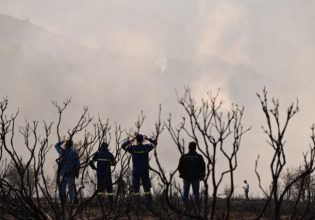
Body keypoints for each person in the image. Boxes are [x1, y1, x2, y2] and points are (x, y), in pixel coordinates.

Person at [121, 133, 157, 203]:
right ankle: (149, 204)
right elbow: (155, 143)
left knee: (135, 188)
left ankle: (136, 204)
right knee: (146, 188)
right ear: (142, 140)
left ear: (136, 140)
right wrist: (148, 139)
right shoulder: (146, 147)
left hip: (136, 170)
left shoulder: (133, 148)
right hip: (144, 170)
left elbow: (123, 146)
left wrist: (131, 140)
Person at [178, 141, 205, 212]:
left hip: (186, 177)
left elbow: (179, 167)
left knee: (185, 193)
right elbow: (203, 167)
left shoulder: (184, 156)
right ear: (195, 147)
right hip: (196, 177)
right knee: (196, 193)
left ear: (188, 147)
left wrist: (182, 174)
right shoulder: (199, 156)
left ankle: (186, 208)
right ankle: (197, 209)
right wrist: (202, 176)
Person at [89, 142, 116, 209]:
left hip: (100, 175)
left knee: (100, 190)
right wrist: (110, 163)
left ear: (101, 147)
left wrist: (95, 168)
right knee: (109, 191)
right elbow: (114, 163)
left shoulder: (97, 154)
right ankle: (111, 205)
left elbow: (90, 162)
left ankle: (100, 205)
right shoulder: (109, 154)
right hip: (107, 175)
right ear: (107, 147)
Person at [55, 139, 80, 205]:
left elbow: (56, 146)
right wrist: (77, 173)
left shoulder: (62, 152)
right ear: (71, 145)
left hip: (63, 174)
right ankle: (71, 203)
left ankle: (63, 202)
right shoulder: (74, 153)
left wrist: (62, 141)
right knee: (71, 190)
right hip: (71, 174)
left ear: (66, 145)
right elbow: (77, 164)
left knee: (62, 189)